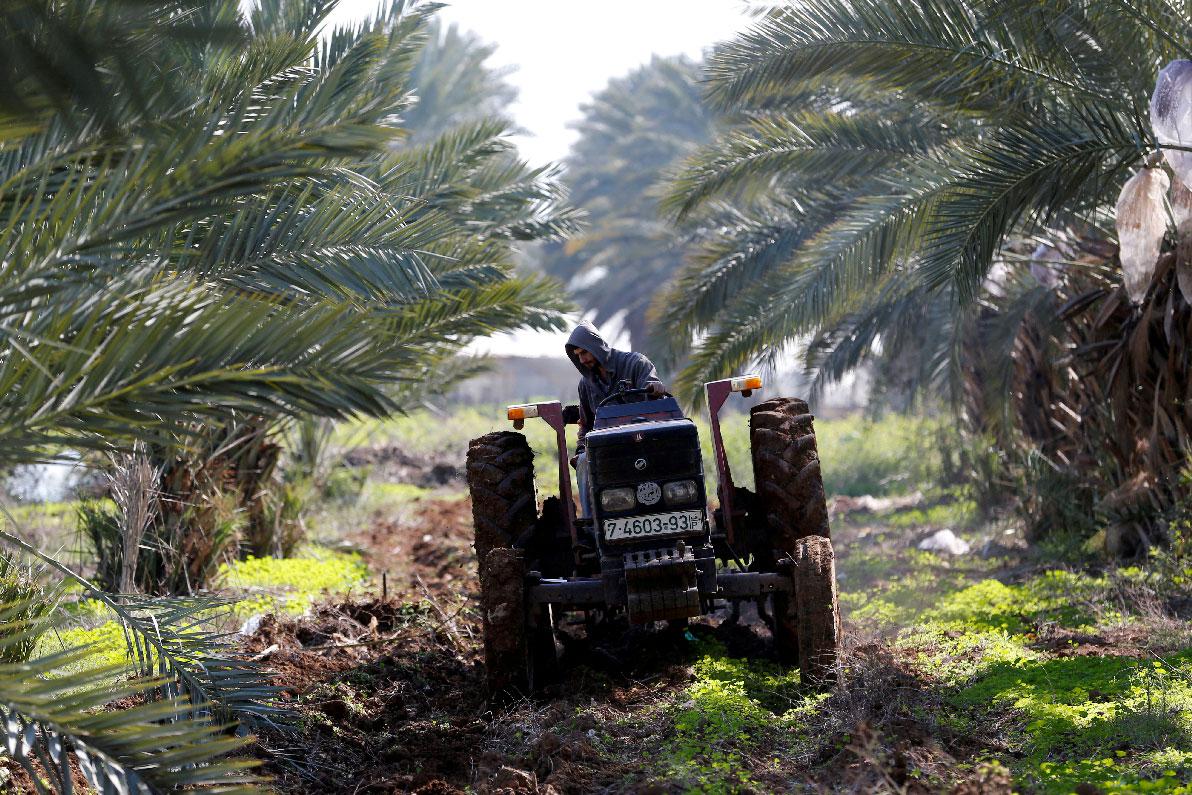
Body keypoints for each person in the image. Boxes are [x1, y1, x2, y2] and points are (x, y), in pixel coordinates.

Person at [565, 320, 666, 517]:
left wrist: (656, 389)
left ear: (596, 345)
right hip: (607, 450)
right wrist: (580, 449)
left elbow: (653, 387)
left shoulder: (636, 364)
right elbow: (586, 424)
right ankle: (592, 524)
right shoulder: (585, 385)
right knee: (584, 462)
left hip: (644, 441)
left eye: (585, 352)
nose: (583, 360)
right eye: (578, 356)